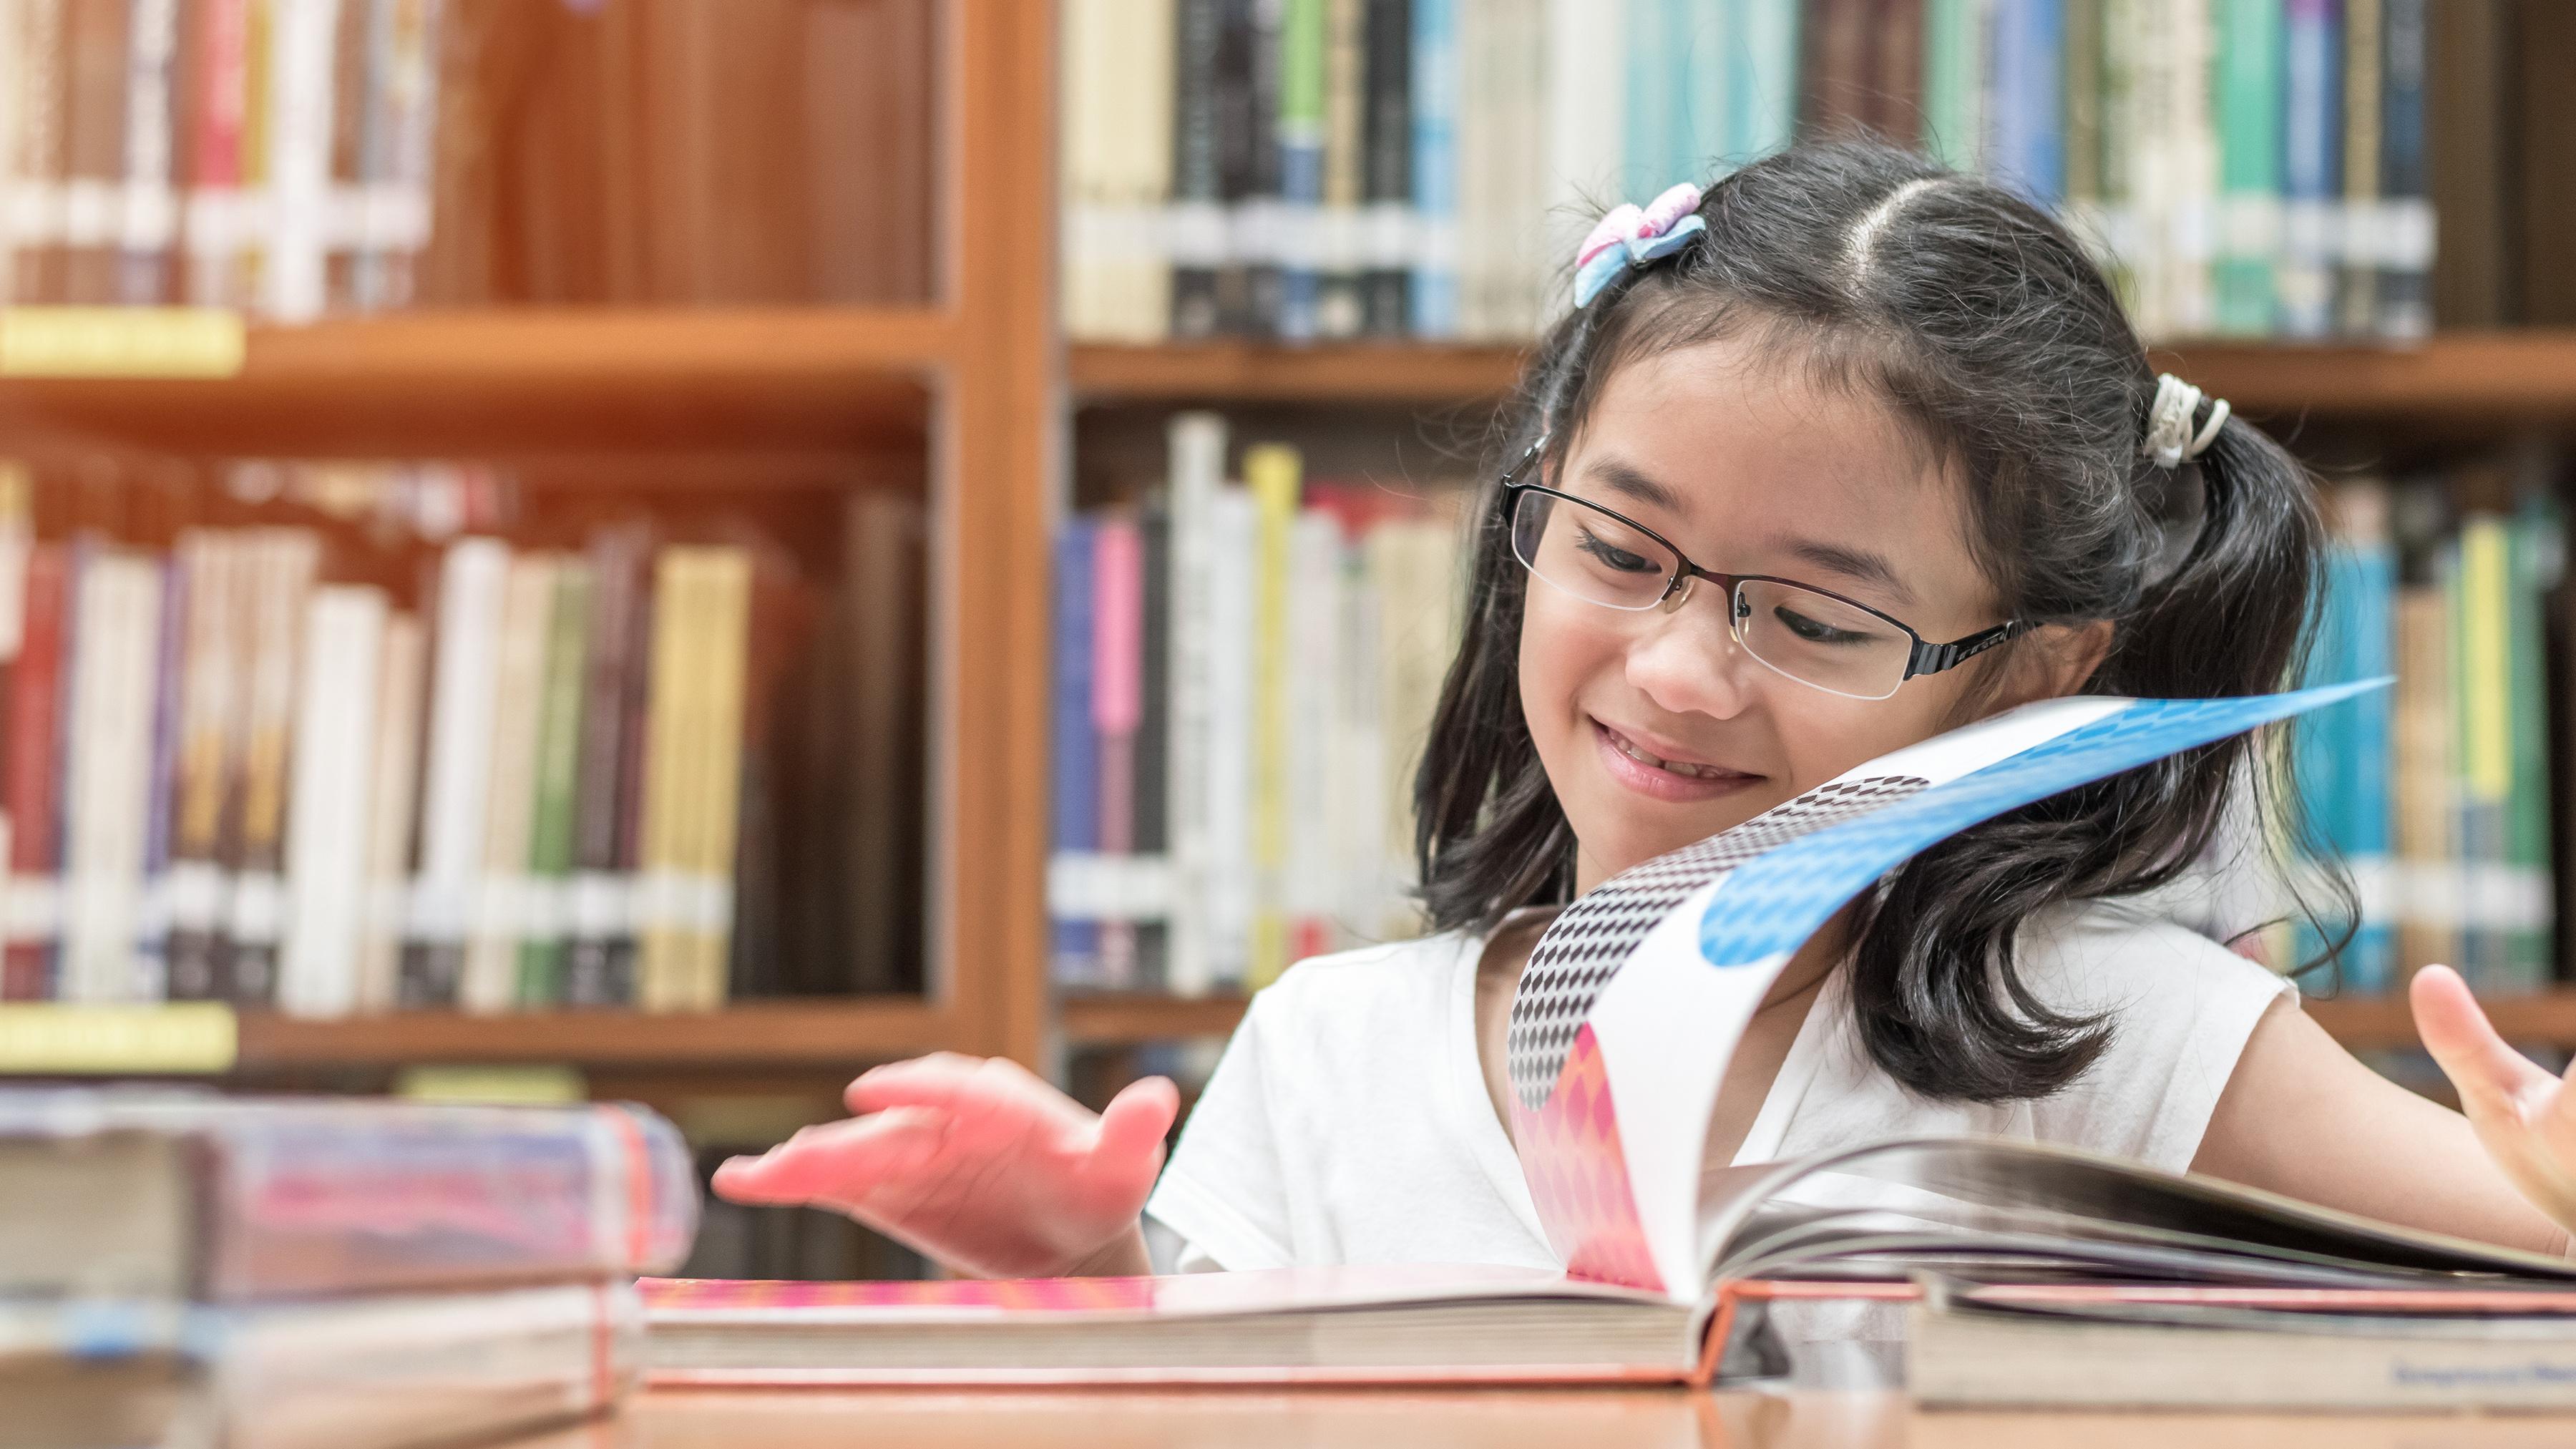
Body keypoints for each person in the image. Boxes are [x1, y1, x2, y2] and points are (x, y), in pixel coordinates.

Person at [714, 141, 2576, 1287]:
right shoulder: (1332, 1047)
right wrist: (1084, 1262)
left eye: (1820, 615)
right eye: (1620, 549)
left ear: (2033, 671)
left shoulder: (2134, 1036)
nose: (1682, 670)